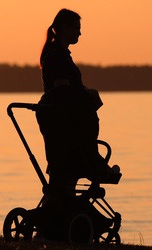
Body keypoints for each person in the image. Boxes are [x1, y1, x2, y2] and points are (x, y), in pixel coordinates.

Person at [36, 9, 120, 196]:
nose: (80, 33)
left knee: (65, 169)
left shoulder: (60, 53)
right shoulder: (56, 55)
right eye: (77, 28)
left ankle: (65, 206)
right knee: (70, 160)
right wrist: (88, 93)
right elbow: (62, 89)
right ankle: (93, 167)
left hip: (61, 114)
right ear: (65, 28)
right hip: (62, 116)